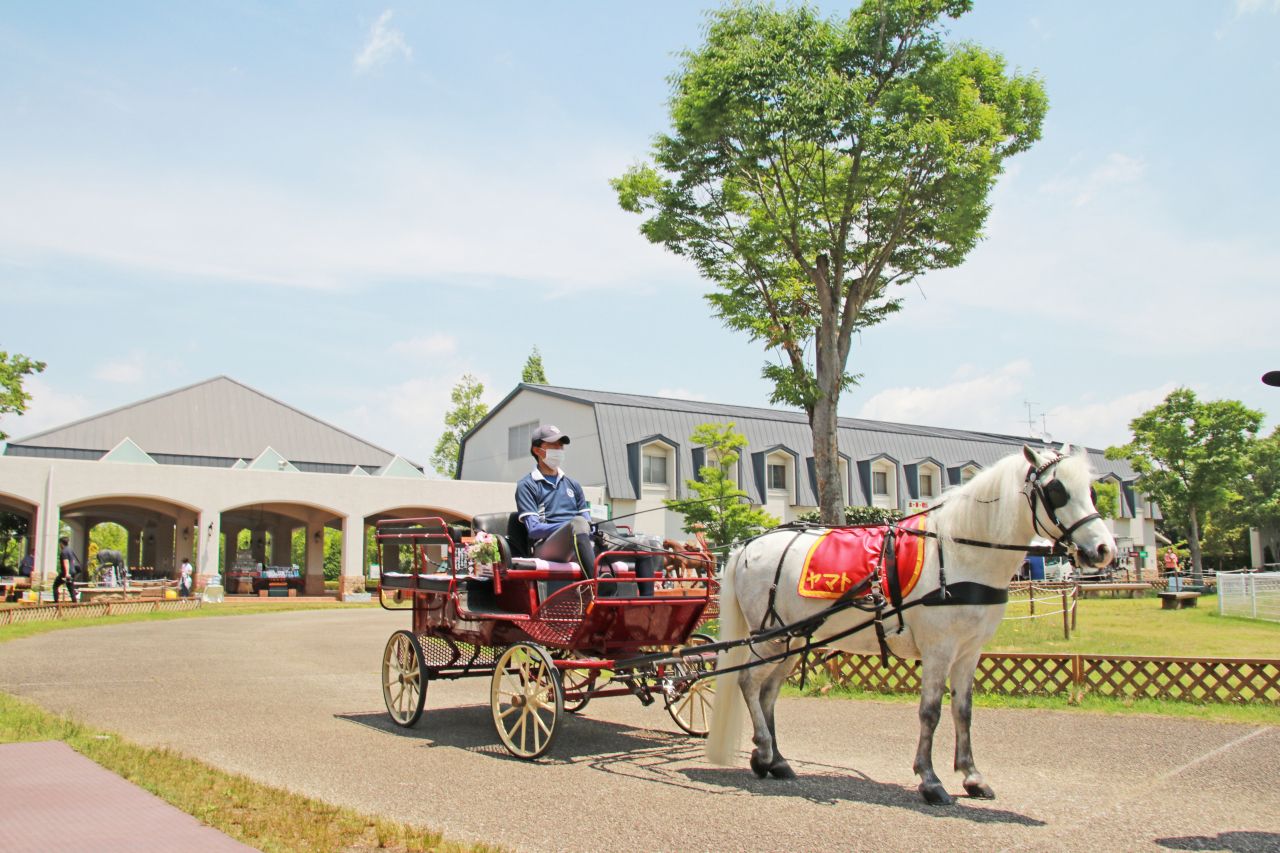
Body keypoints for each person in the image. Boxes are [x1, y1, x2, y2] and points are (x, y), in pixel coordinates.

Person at [515, 425, 598, 577]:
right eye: (553, 445)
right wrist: (571, 526)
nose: (559, 449)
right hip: (545, 546)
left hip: (579, 538)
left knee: (646, 544)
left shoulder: (574, 485)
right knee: (578, 523)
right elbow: (534, 529)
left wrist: (596, 531)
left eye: (561, 446)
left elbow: (587, 523)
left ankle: (647, 598)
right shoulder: (527, 485)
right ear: (537, 450)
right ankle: (597, 587)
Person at [54, 536, 80, 603]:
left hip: (66, 572)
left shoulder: (64, 552)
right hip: (73, 571)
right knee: (71, 588)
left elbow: (66, 562)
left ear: (61, 543)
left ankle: (56, 602)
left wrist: (67, 573)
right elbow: (73, 561)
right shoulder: (70, 550)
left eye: (60, 543)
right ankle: (74, 603)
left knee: (55, 585)